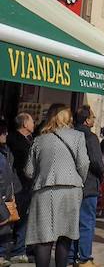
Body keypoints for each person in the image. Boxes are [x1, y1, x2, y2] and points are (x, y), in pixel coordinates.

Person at [24, 106, 89, 267]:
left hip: (44, 191)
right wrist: (77, 179)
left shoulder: (39, 140)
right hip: (71, 190)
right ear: (68, 118)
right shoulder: (78, 136)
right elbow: (84, 163)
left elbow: (29, 171)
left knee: (43, 238)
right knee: (65, 236)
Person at [72, 105, 104, 267]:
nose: (94, 119)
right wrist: (102, 173)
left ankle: (71, 256)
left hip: (72, 184)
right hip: (88, 184)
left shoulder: (70, 135)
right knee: (86, 223)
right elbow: (97, 163)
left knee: (72, 222)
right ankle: (84, 257)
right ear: (86, 120)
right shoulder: (90, 138)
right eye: (92, 117)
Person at [7, 111, 33, 262]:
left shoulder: (25, 139)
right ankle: (18, 249)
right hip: (19, 185)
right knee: (20, 217)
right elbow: (24, 165)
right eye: (31, 121)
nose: (34, 123)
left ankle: (19, 247)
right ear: (25, 124)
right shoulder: (17, 141)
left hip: (21, 184)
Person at [0, 121, 18, 267]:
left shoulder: (5, 152)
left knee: (5, 230)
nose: (6, 134)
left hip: (6, 197)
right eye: (3, 131)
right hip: (2, 199)